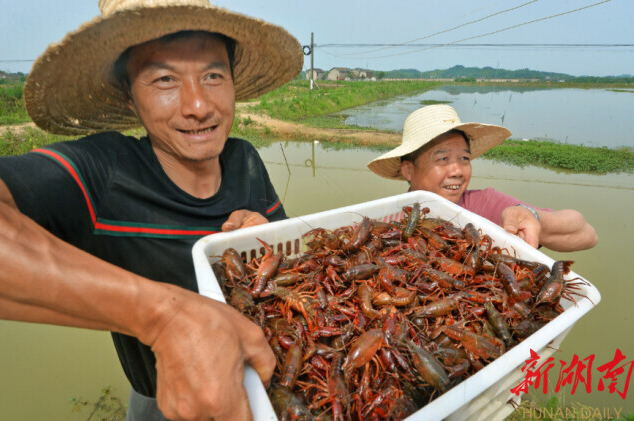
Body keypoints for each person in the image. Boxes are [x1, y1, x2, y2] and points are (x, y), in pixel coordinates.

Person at [0, 1, 304, 420]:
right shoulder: (102, 172)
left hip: (273, 381)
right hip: (162, 404)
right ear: (129, 93)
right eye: (164, 78)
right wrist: (163, 317)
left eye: (213, 75)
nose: (198, 105)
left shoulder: (245, 160)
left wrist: (264, 236)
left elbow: (297, 266)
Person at [367, 105, 598, 252]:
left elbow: (587, 234)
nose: (457, 170)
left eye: (464, 158)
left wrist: (534, 218)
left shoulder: (486, 205)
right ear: (408, 171)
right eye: (443, 159)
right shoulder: (386, 221)